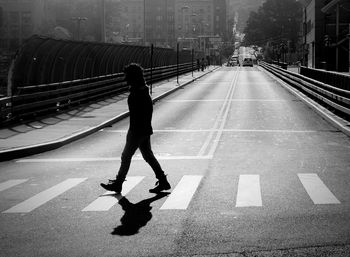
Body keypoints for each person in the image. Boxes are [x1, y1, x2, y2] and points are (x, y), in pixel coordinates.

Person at [100, 63, 171, 194]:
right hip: (143, 129)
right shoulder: (142, 90)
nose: (125, 79)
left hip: (137, 130)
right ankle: (163, 180)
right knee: (148, 156)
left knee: (126, 156)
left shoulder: (138, 93)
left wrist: (133, 132)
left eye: (127, 76)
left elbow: (139, 114)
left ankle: (118, 183)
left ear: (133, 77)